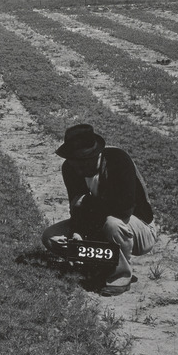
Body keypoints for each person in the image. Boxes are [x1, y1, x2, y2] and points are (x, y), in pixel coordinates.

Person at [42, 123, 155, 295]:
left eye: (82, 161)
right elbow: (76, 207)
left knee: (113, 224)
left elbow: (123, 209)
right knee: (50, 237)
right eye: (73, 161)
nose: (78, 168)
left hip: (137, 227)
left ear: (96, 154)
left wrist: (86, 203)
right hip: (97, 223)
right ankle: (94, 264)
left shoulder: (118, 160)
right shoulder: (70, 169)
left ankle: (120, 276)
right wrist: (77, 232)